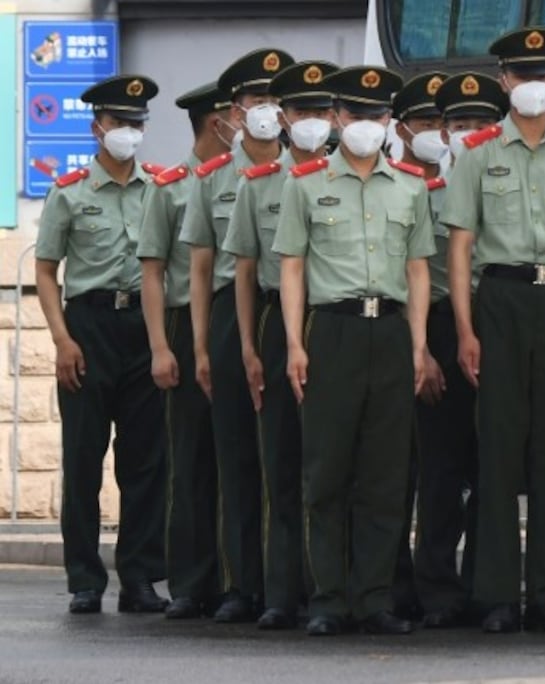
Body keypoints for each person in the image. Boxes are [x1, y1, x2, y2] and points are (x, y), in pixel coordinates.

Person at [440, 26, 545, 634]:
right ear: (504, 81)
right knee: (498, 445)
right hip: (503, 300)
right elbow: (460, 246)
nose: (534, 86)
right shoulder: (478, 153)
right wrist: (465, 328)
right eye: (522, 76)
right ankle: (494, 595)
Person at [273, 65, 434, 637]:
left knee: (385, 476)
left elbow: (418, 272)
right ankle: (328, 599)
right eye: (358, 114)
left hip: (389, 332)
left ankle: (373, 599)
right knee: (327, 472)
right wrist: (295, 342)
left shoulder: (411, 186)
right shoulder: (306, 184)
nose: (368, 124)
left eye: (378, 115)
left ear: (390, 120)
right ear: (338, 117)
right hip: (332, 332)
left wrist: (418, 346)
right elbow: (291, 269)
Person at [34, 74, 168, 614]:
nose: (129, 133)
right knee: (84, 459)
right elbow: (46, 272)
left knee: (145, 462)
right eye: (119, 123)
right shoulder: (68, 192)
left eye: (137, 124)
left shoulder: (159, 187)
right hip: (87, 328)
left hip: (143, 326)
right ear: (97, 128)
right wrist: (62, 340)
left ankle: (139, 577)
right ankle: (85, 579)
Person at [221, 59, 338, 630]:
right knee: (280, 462)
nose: (312, 120)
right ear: (285, 120)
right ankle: (279, 591)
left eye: (321, 110)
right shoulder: (260, 185)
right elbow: (245, 272)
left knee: (334, 466)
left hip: (336, 323)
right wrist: (247, 345)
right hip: (274, 326)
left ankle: (330, 590)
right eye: (301, 111)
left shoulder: (353, 178)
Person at [181, 47, 295, 623]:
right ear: (235, 109)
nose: (269, 110)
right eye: (258, 100)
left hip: (292, 316)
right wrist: (202, 346)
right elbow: (201, 269)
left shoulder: (307, 163)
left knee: (287, 457)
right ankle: (240, 584)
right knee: (235, 455)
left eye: (278, 99)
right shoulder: (212, 178)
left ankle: (287, 585)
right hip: (230, 315)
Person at [410, 71, 509, 629]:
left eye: (480, 124)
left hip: (500, 325)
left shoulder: (508, 187)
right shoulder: (425, 194)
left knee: (493, 463)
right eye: (458, 125)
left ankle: (486, 587)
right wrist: (422, 350)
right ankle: (437, 592)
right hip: (445, 328)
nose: (468, 134)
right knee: (441, 468)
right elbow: (416, 275)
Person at [137, 80, 231, 619]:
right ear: (213, 122)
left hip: (229, 318)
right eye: (233, 115)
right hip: (179, 322)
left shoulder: (238, 180)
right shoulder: (170, 187)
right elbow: (152, 272)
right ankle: (193, 581)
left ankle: (236, 576)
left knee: (237, 459)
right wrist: (159, 348)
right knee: (190, 458)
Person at [386, 69, 449, 622]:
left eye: (441, 122)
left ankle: (439, 586)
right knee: (397, 465)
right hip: (403, 329)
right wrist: (419, 346)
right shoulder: (391, 184)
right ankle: (397, 585)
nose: (436, 132)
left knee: (445, 466)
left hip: (456, 326)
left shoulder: (459, 181)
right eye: (425, 122)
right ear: (402, 129)